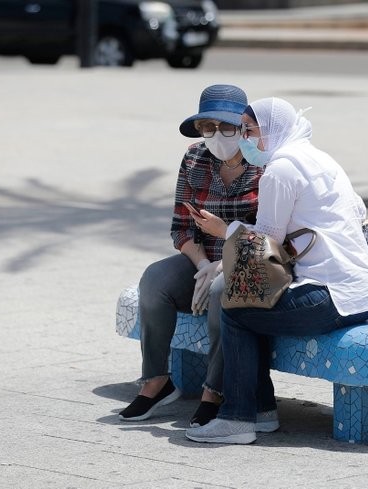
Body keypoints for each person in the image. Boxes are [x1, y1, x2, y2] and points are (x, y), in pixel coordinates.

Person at [184, 97, 368, 444]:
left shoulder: (280, 169)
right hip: (363, 294)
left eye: (250, 130)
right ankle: (261, 413)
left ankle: (238, 419)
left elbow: (265, 242)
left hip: (330, 297)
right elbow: (358, 208)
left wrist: (222, 230)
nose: (246, 139)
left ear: (273, 130)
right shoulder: (320, 158)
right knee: (254, 306)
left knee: (236, 309)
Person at [118, 85, 263, 428]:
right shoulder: (195, 158)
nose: (217, 135)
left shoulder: (265, 165)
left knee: (219, 291)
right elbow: (181, 228)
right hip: (203, 259)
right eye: (208, 127)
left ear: (244, 128)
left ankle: (214, 392)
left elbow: (271, 237)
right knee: (154, 279)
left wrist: (224, 259)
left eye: (226, 127)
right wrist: (201, 264)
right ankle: (156, 381)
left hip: (250, 263)